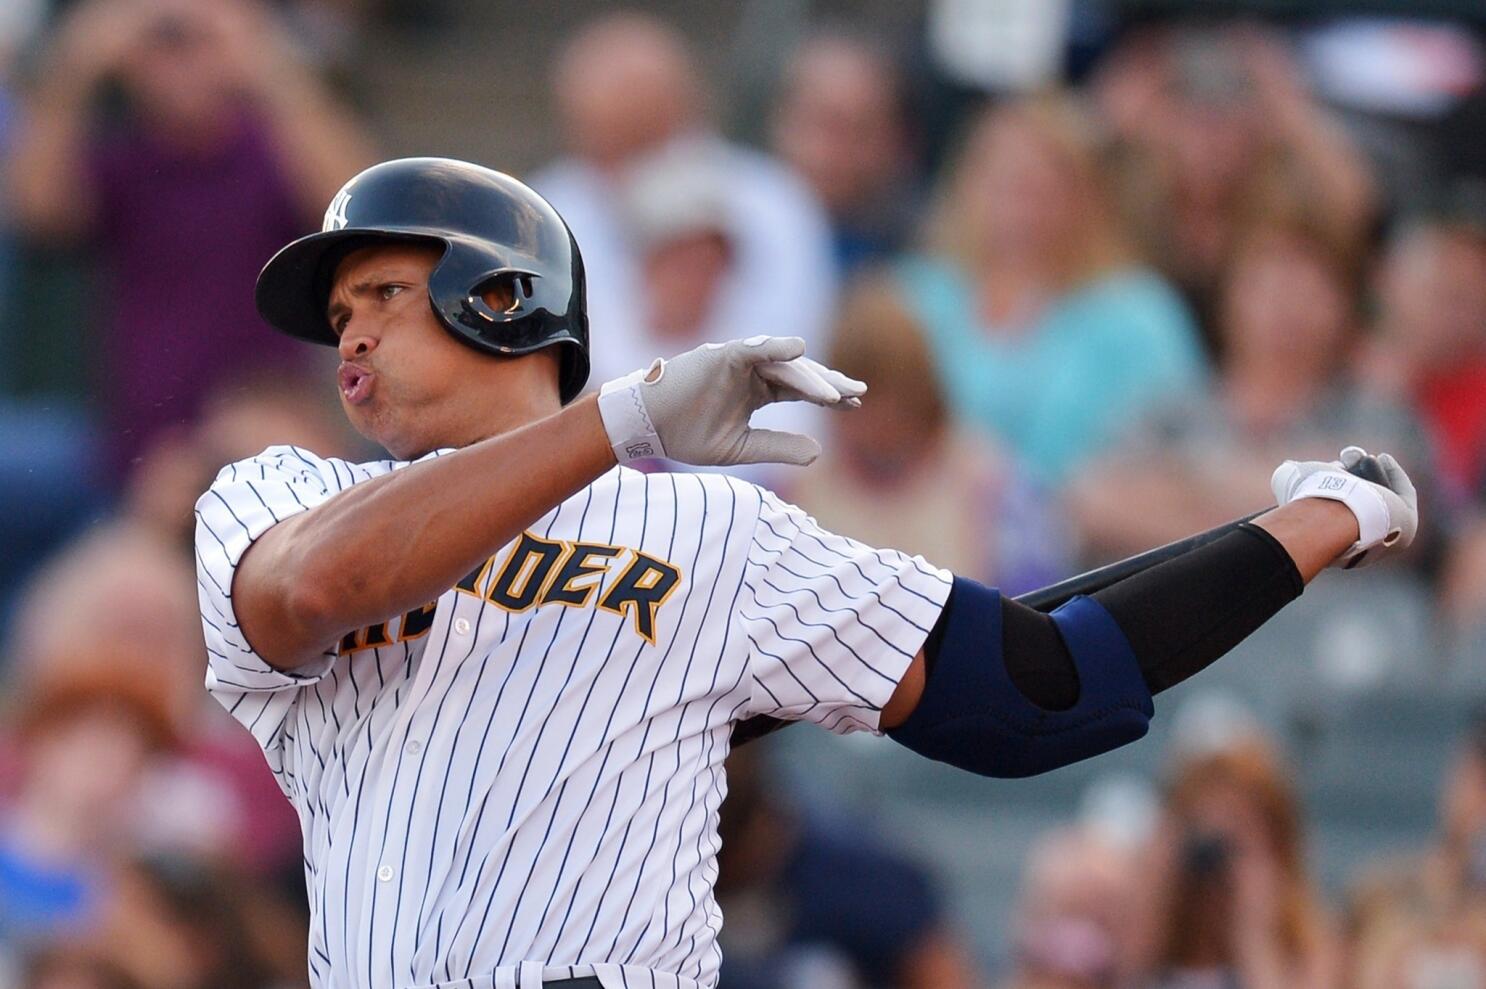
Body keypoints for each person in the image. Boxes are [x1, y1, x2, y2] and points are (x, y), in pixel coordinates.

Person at [195, 156, 1419, 989]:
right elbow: (316, 592)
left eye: (383, 295)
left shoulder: (714, 532)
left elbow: (1040, 685)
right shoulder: (284, 497)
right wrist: (620, 420)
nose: (346, 331)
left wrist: (1322, 517)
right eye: (340, 309)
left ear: (503, 299)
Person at [7, 0, 375, 469]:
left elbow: (355, 210)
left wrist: (270, 64)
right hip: (142, 450)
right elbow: (37, 213)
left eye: (199, 45)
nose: (183, 66)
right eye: (162, 46)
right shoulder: (126, 158)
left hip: (267, 436)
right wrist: (74, 67)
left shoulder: (272, 150)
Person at [1070, 219, 1429, 564]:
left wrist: (1186, 482)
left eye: (1307, 292)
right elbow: (1092, 503)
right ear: (1228, 298)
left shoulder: (1376, 412)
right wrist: (1289, 517)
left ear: (1343, 306)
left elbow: (1385, 513)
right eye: (1266, 288)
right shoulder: (1168, 408)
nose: (1284, 310)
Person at [897, 95, 1205, 487]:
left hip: (1096, 540)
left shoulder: (1138, 314)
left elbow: (1183, 456)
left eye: (1039, 188)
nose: (1019, 209)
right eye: (1003, 184)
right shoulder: (912, 297)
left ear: (1084, 197)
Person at [531, 12, 837, 399]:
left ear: (688, 112)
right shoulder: (540, 212)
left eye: (646, 138)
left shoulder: (774, 204)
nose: (634, 173)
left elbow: (795, 362)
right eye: (611, 144)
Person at [1133, 739, 1341, 989]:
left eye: (1238, 833)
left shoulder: (1312, 953)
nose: (1216, 857)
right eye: (1201, 831)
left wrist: (1255, 941)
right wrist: (1154, 898)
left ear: (1277, 846)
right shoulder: (1143, 945)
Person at [769, 31, 922, 275]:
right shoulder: (717, 232)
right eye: (821, 123)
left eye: (860, 130)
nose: (833, 152)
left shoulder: (916, 261)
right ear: (780, 120)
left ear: (894, 143)